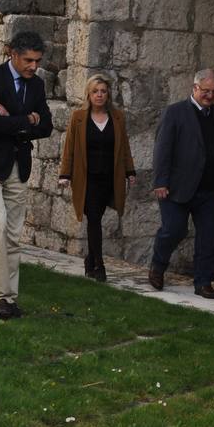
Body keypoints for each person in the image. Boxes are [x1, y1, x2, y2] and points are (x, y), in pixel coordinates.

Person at [0, 32, 53, 320]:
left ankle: (10, 298)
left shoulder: (38, 85)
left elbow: (47, 127)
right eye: (28, 60)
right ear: (12, 54)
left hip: (18, 164)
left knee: (14, 235)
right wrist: (28, 117)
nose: (33, 66)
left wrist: (14, 118)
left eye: (37, 61)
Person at [147, 68, 214, 298]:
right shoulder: (175, 112)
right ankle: (158, 265)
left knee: (208, 239)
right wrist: (160, 182)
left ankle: (203, 282)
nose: (210, 96)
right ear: (194, 88)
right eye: (206, 91)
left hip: (209, 189)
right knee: (173, 230)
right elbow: (162, 149)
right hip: (176, 188)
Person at [57, 74, 136, 281]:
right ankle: (99, 265)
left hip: (109, 177)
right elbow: (70, 148)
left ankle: (89, 259)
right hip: (87, 178)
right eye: (95, 91)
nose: (99, 95)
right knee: (93, 219)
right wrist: (65, 174)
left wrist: (130, 171)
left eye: (103, 91)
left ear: (108, 94)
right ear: (89, 95)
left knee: (97, 217)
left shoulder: (117, 117)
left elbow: (124, 147)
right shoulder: (79, 117)